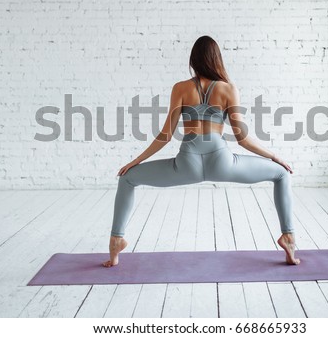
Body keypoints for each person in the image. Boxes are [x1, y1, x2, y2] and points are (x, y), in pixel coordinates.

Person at [102, 35, 299, 267]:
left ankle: (116, 243)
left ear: (194, 60)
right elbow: (243, 139)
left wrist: (133, 162)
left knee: (127, 179)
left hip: (186, 164)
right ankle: (288, 237)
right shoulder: (228, 89)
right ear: (217, 59)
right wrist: (275, 157)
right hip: (222, 162)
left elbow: (165, 135)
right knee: (281, 174)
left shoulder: (181, 88)